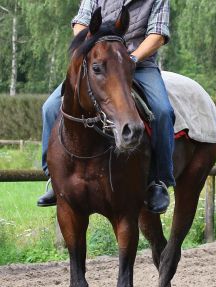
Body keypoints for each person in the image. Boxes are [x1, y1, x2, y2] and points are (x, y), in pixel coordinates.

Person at [37, 0, 175, 213]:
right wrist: (94, 48)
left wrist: (130, 59)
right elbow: (81, 24)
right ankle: (52, 178)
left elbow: (157, 35)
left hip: (137, 64)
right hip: (98, 62)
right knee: (49, 107)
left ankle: (159, 181)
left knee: (163, 111)